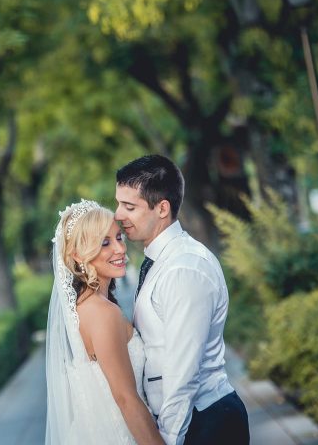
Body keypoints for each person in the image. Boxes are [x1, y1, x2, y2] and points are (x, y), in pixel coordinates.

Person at [115, 154, 250, 445]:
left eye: (129, 206)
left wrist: (166, 439)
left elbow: (182, 373)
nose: (117, 215)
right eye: (118, 203)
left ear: (162, 208)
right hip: (190, 421)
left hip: (204, 423)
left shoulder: (184, 268)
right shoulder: (160, 260)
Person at [45, 199, 163, 445]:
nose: (120, 249)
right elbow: (126, 399)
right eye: (104, 243)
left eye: (119, 238)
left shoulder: (82, 308)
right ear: (78, 255)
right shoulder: (102, 313)